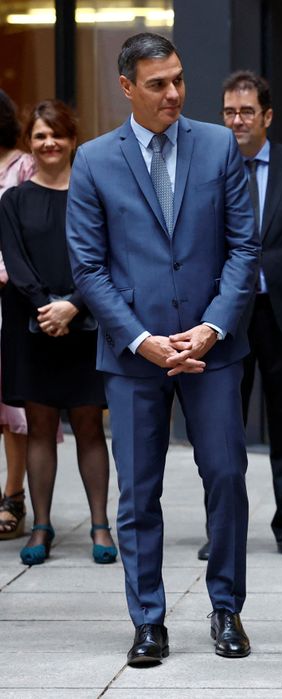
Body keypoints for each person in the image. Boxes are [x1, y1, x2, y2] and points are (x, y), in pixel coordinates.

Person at [65, 33, 259, 667]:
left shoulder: (218, 146)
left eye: (178, 79)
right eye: (158, 84)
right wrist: (143, 340)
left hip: (212, 350)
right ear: (127, 87)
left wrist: (211, 327)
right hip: (132, 357)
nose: (174, 93)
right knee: (138, 491)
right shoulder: (94, 160)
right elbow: (89, 269)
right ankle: (148, 620)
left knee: (227, 477)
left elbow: (243, 249)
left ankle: (226, 607)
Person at [196, 70, 282, 563]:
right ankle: (222, 529)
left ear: (267, 116)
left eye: (246, 111)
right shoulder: (209, 165)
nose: (237, 121)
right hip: (227, 317)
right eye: (229, 111)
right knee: (222, 427)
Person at [0, 100, 116, 567]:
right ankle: (42, 525)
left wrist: (73, 305)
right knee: (41, 426)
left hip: (86, 323)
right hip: (31, 325)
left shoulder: (94, 196)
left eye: (58, 135)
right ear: (30, 143)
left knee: (90, 427)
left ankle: (100, 524)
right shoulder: (13, 200)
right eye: (40, 136)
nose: (49, 143)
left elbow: (107, 257)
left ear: (73, 141)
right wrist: (48, 307)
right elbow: (15, 257)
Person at [0, 88, 35, 540]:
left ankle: (13, 496)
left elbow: (30, 231)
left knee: (13, 402)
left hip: (12, 297)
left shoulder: (23, 165)